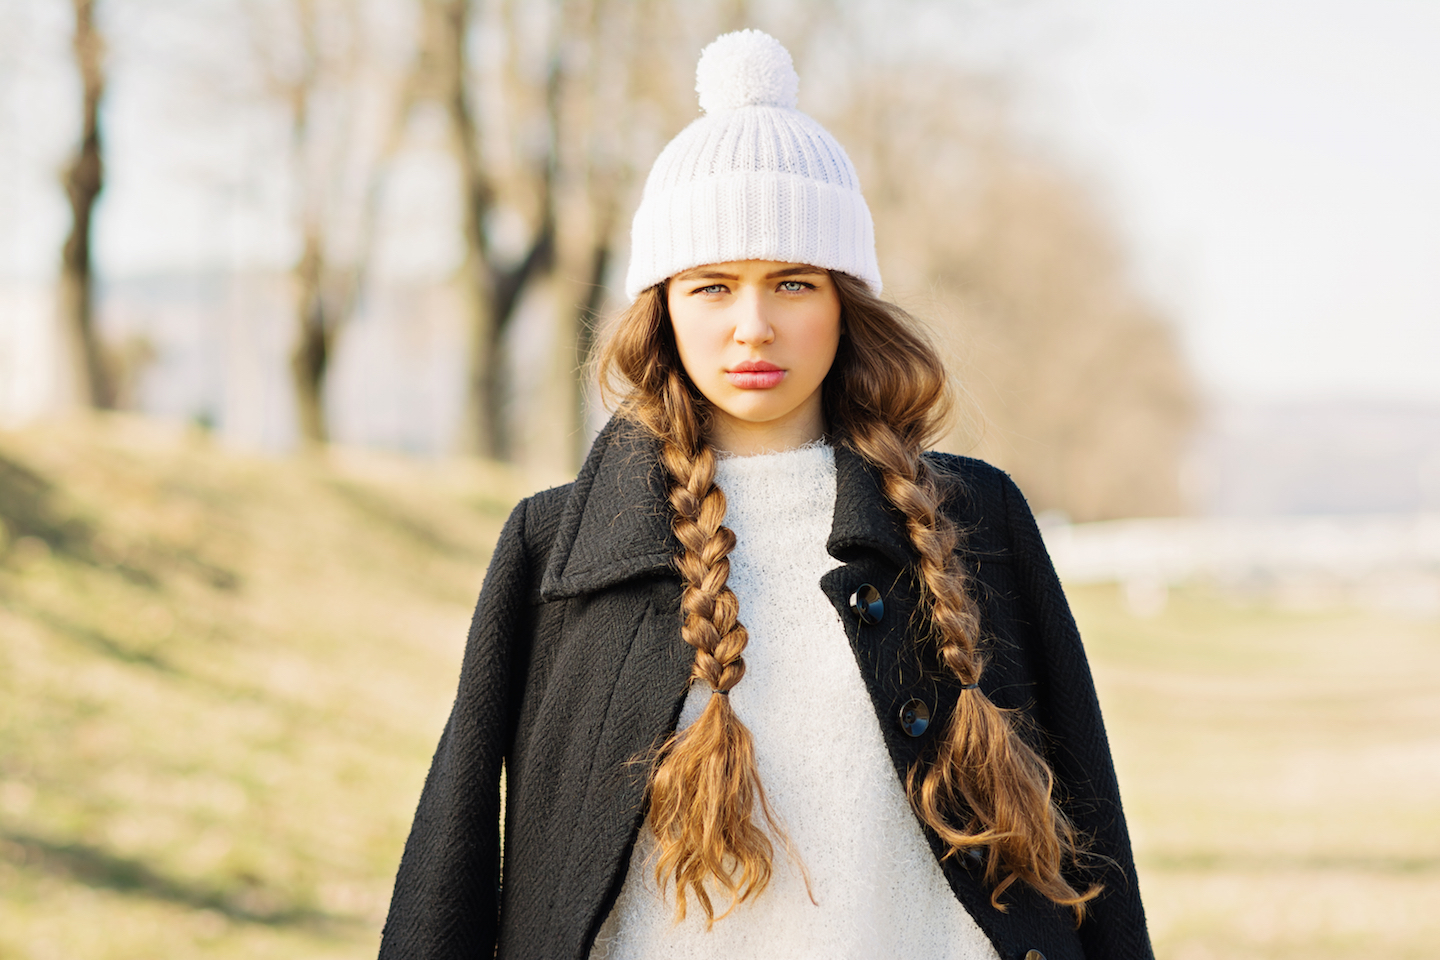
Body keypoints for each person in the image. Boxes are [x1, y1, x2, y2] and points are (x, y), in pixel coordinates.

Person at [379, 29, 1153, 960]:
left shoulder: (975, 523)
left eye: (793, 282)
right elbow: (452, 866)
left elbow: (1091, 841)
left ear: (844, 301)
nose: (754, 327)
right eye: (711, 286)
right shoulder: (555, 549)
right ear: (661, 307)